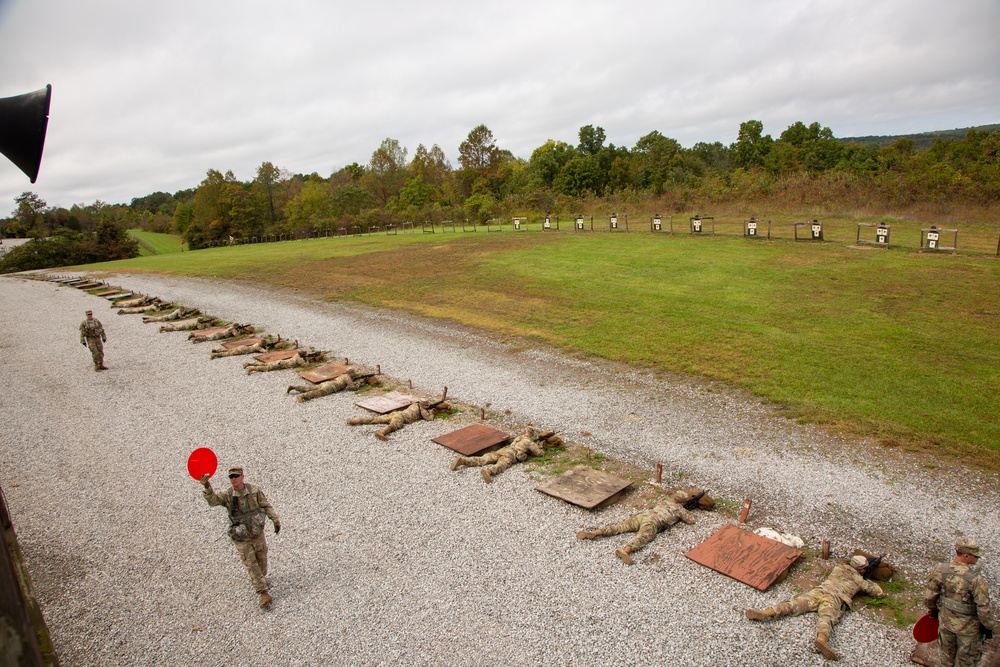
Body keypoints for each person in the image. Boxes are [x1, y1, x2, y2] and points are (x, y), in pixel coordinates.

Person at [745, 555, 886, 661]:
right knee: (827, 617)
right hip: (834, 597)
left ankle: (766, 612)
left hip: (819, 591)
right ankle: (822, 639)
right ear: (862, 569)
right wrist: (866, 579)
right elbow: (879, 593)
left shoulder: (838, 568)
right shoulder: (859, 580)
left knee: (794, 604)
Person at [199, 466, 281, 609]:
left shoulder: (254, 491)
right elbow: (212, 501)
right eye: (231, 477)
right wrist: (207, 486)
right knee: (251, 563)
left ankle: (261, 579)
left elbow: (266, 505)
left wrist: (275, 520)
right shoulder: (227, 495)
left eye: (236, 476)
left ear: (242, 476)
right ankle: (263, 592)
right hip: (241, 536)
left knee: (261, 559)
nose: (234, 479)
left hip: (256, 532)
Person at [924, 538, 997, 667]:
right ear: (966, 555)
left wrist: (933, 610)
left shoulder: (940, 569)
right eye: (975, 555)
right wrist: (988, 627)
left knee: (946, 660)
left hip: (946, 623)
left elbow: (930, 595)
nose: (977, 558)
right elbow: (984, 607)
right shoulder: (975, 580)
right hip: (968, 631)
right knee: (967, 662)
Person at [577, 491, 695, 565]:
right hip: (653, 521)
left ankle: (596, 532)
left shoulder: (665, 500)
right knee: (643, 537)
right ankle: (626, 551)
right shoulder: (679, 510)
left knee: (621, 526)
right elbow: (691, 521)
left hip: (644, 515)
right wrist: (685, 509)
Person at [450, 426, 562, 483]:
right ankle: (489, 471)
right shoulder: (529, 443)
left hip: (503, 450)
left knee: (483, 459)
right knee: (502, 465)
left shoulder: (519, 437)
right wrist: (540, 446)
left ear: (525, 432)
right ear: (532, 435)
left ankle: (463, 461)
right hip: (510, 454)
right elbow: (540, 454)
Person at [346, 400, 444, 440]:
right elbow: (430, 419)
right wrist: (431, 412)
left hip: (396, 413)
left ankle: (356, 421)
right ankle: (381, 432)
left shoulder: (415, 404)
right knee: (394, 426)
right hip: (401, 417)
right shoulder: (422, 410)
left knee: (375, 419)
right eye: (426, 405)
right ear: (424, 406)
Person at [286, 371, 375, 402]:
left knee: (311, 388)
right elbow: (353, 388)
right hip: (331, 387)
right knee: (317, 393)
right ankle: (302, 396)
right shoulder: (347, 378)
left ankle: (296, 387)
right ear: (351, 373)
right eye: (353, 373)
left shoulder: (343, 375)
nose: (354, 374)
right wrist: (360, 383)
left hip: (327, 383)